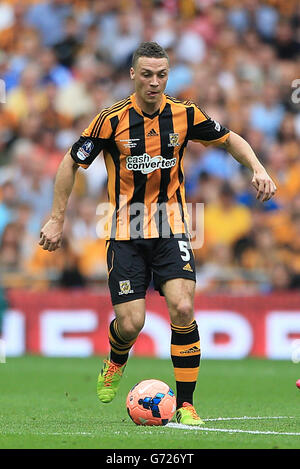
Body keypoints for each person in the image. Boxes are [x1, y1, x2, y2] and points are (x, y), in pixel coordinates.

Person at [39, 42, 277, 426]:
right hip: (125, 229)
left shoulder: (185, 113)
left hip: (171, 226)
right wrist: (56, 218)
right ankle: (117, 359)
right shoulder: (110, 120)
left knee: (183, 307)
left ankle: (185, 405)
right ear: (133, 74)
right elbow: (70, 163)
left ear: (168, 75)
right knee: (131, 323)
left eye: (161, 74)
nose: (154, 82)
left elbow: (231, 138)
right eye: (147, 74)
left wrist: (258, 168)